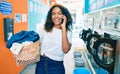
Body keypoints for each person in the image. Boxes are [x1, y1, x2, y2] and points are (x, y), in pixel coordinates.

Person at [36, 4, 73, 74]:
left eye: (59, 13)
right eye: (53, 14)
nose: (56, 16)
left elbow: (65, 50)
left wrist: (63, 28)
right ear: (51, 16)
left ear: (64, 16)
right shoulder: (45, 28)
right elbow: (37, 43)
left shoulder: (68, 31)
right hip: (41, 63)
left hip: (56, 66)